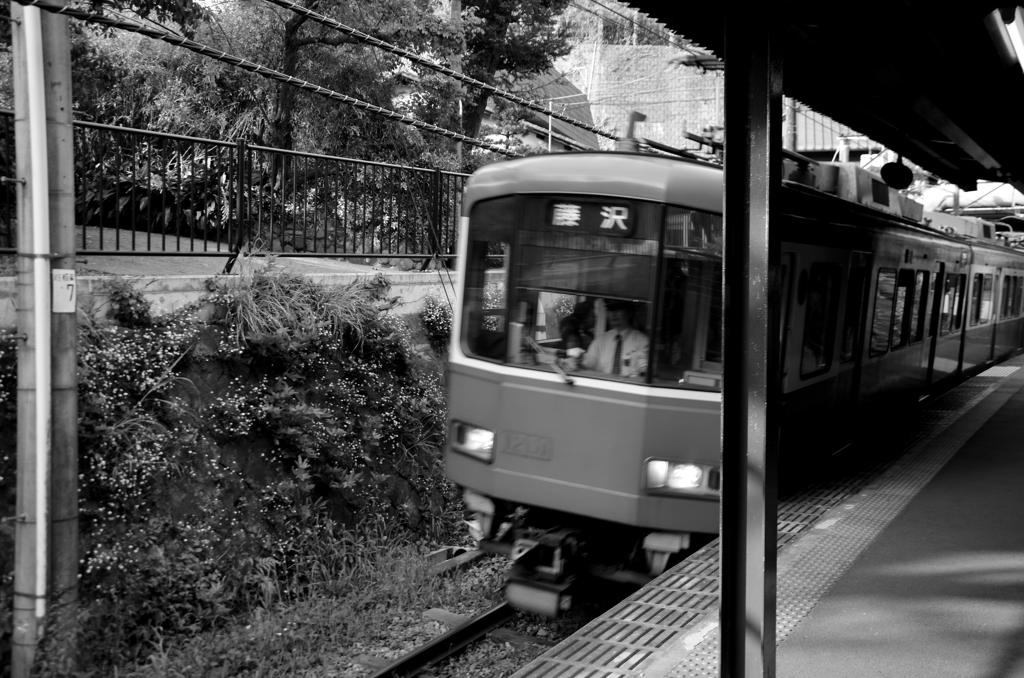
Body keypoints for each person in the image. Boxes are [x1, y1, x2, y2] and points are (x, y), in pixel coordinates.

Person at [581, 299, 649, 376]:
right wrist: (577, 361)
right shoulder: (601, 340)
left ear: (629, 313)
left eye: (618, 309)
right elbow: (587, 365)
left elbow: (645, 372)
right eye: (610, 310)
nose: (613, 314)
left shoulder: (642, 341)